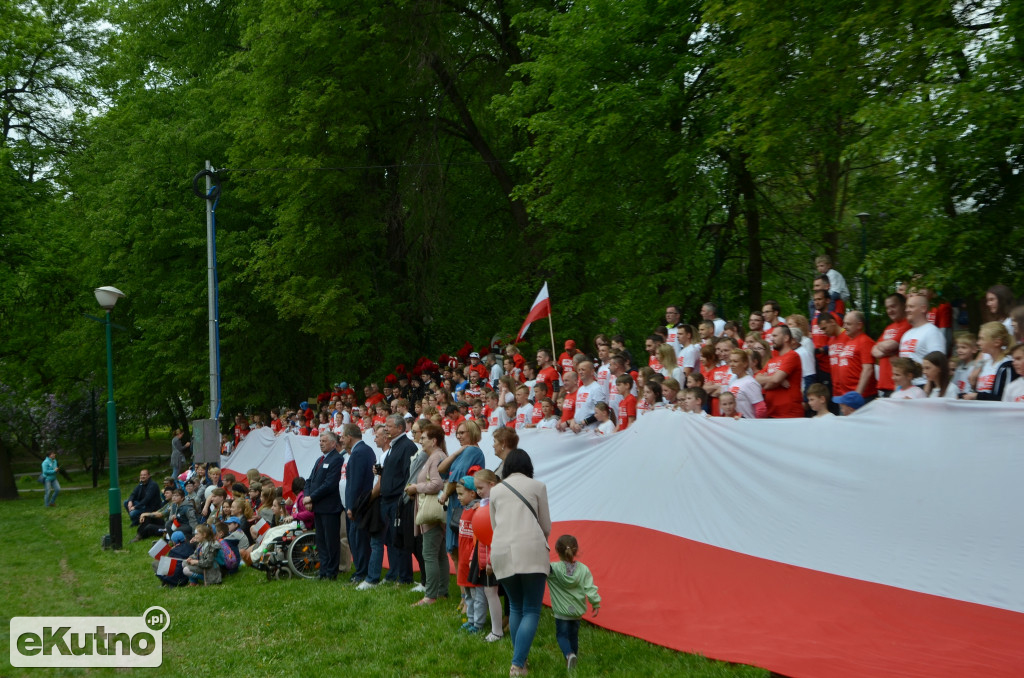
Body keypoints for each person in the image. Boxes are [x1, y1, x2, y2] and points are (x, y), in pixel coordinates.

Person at [489, 449, 551, 677]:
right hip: (532, 549)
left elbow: (495, 526)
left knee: (515, 606)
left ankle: (521, 663)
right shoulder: (538, 487)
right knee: (532, 609)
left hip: (502, 550)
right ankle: (517, 664)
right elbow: (545, 526)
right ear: (528, 466)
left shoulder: (496, 491)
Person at [406, 423, 449, 606]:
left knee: (429, 553)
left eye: (423, 438)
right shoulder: (435, 456)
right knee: (438, 554)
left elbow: (437, 484)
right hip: (431, 510)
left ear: (434, 440)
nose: (420, 440)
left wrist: (416, 487)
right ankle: (440, 592)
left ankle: (430, 596)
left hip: (431, 512)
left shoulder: (436, 457)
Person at [547, 534, 601, 671]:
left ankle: (569, 655)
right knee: (573, 636)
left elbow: (540, 568)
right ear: (576, 550)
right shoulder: (584, 570)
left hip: (561, 613)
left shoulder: (553, 569)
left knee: (562, 636)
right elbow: (590, 588)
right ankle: (573, 660)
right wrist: (595, 603)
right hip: (577, 612)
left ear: (557, 551)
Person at [305, 430, 344, 580]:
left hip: (330, 507)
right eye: (320, 441)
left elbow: (330, 484)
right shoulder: (320, 460)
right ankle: (323, 570)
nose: (321, 443)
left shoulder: (336, 459)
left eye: (324, 441)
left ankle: (331, 572)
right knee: (321, 540)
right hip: (318, 507)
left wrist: (311, 498)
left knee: (331, 541)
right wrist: (307, 496)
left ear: (333, 444)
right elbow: (310, 480)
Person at [755, 326, 804, 418]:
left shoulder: (793, 356)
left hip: (789, 413)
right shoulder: (772, 360)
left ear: (786, 338)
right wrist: (776, 379)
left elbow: (775, 380)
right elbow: (756, 379)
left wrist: (771, 381)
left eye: (775, 336)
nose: (772, 339)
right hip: (771, 412)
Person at [455, 476, 484, 633]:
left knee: (476, 595)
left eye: (461, 494)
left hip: (474, 560)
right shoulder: (466, 509)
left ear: (473, 494)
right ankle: (471, 620)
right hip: (464, 559)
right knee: (468, 593)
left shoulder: (477, 510)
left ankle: (478, 624)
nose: (458, 498)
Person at [962, 322, 1016, 401]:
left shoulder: (1007, 365)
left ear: (997, 342)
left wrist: (978, 396)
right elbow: (977, 392)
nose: (978, 343)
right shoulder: (984, 364)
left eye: (982, 339)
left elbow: (1005, 399)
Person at [872, 293, 911, 398]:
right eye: (887, 308)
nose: (890, 311)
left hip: (897, 385)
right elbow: (874, 351)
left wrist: (884, 348)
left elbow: (890, 346)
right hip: (884, 384)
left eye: (893, 306)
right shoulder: (889, 327)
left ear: (903, 305)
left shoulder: (907, 324)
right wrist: (885, 348)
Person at [899, 294, 947, 369]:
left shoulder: (932, 332)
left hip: (923, 381)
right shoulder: (906, 335)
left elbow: (938, 364)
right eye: (906, 307)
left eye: (911, 306)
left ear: (923, 308)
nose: (906, 310)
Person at [726, 349, 765, 419]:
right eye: (730, 361)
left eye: (735, 361)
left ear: (745, 363)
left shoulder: (750, 382)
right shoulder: (733, 381)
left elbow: (761, 408)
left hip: (747, 425)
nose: (731, 364)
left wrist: (756, 425)